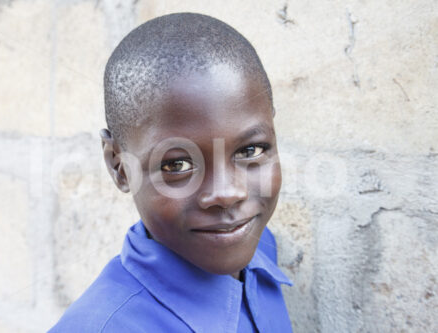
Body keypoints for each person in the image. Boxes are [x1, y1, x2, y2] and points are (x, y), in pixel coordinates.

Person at [49, 12, 293, 332]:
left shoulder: (256, 250)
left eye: (250, 150)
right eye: (176, 165)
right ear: (119, 167)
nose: (227, 193)